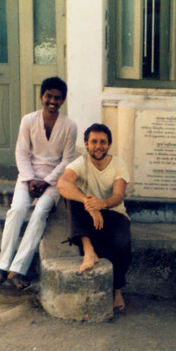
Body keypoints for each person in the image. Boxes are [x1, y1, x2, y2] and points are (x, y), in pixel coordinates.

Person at [0, 77, 78, 289]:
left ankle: (18, 269)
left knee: (39, 214)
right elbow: (21, 152)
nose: (52, 101)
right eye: (49, 96)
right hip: (27, 178)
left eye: (57, 98)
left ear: (63, 100)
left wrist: (46, 181)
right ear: (41, 96)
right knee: (17, 210)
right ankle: (3, 265)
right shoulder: (28, 120)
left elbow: (67, 160)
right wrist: (29, 179)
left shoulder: (69, 126)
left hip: (53, 182)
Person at [57, 124, 131, 313]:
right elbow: (62, 183)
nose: (98, 146)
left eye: (102, 142)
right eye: (94, 142)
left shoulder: (118, 164)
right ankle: (89, 251)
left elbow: (118, 196)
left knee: (122, 244)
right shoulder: (81, 162)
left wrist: (101, 204)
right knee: (72, 198)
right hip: (91, 215)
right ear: (86, 144)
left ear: (109, 145)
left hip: (115, 214)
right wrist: (88, 203)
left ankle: (117, 291)